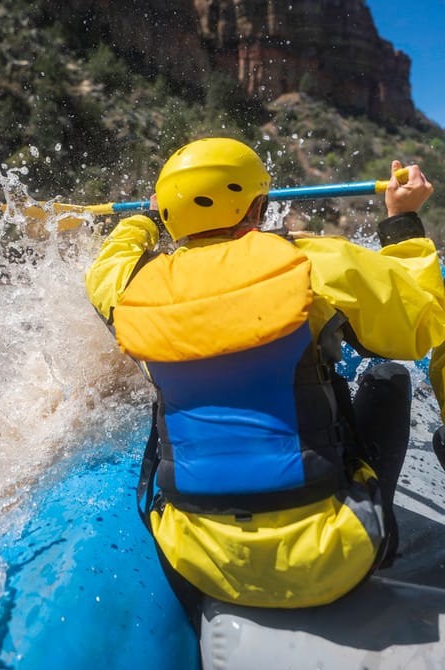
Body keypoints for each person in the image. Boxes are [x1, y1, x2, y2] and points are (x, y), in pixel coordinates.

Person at [85, 137, 445, 614]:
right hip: (337, 556)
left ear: (170, 214)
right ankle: (381, 534)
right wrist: (402, 221)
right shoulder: (315, 261)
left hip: (195, 559)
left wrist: (145, 219)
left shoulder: (131, 287)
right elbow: (425, 325)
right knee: (386, 377)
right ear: (259, 206)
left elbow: (108, 262)